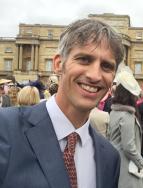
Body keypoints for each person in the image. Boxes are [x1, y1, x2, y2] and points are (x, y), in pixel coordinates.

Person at [0, 18, 124, 188]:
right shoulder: (5, 128)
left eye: (106, 66)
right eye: (84, 60)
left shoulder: (110, 158)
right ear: (58, 64)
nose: (95, 76)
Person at [108, 71, 143, 188]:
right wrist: (142, 163)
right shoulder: (127, 115)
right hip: (127, 166)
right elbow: (129, 146)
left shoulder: (114, 112)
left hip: (115, 163)